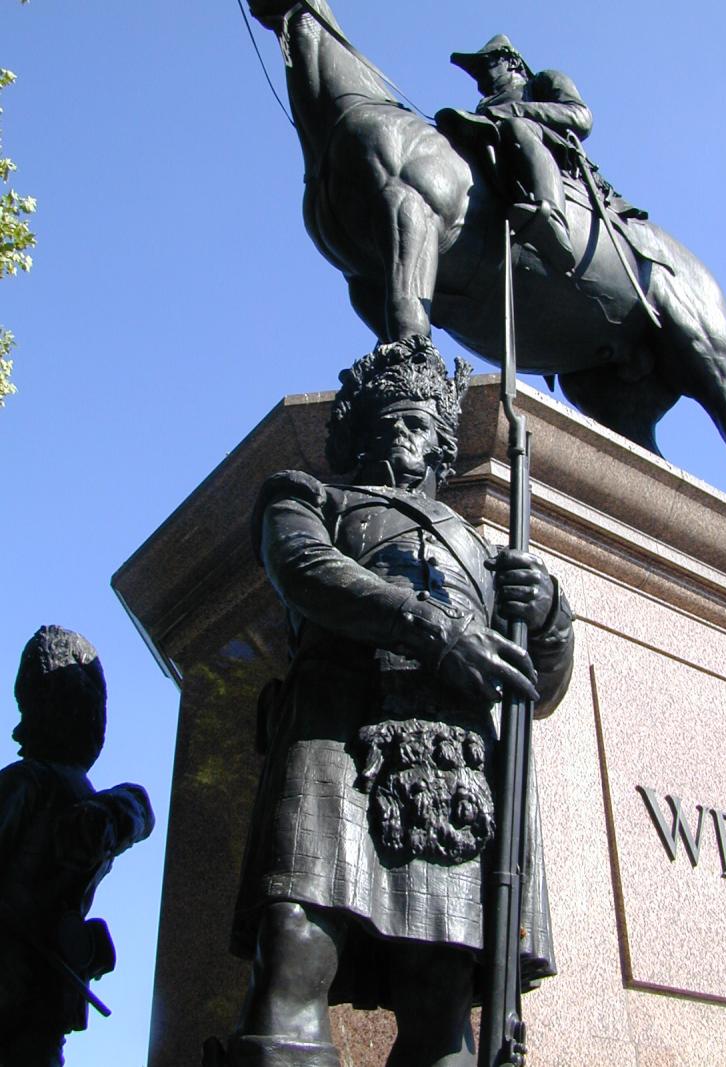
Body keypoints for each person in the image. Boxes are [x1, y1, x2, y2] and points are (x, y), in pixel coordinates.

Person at [224, 337, 574, 1067]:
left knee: (442, 995)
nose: (397, 433)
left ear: (442, 445)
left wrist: (548, 613)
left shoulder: (483, 552)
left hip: (456, 769)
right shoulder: (307, 496)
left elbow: (537, 683)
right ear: (354, 433)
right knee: (294, 947)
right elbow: (305, 568)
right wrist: (440, 630)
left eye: (415, 422)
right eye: (383, 419)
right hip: (334, 737)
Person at [0, 626, 155, 1067]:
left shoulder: (88, 796)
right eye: (83, 698)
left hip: (38, 999)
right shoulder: (34, 783)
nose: (93, 714)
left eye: (95, 699)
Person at [448, 34, 593, 273]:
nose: (480, 81)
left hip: (552, 148)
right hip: (507, 158)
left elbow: (581, 116)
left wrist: (514, 110)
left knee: (517, 127)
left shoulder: (542, 82)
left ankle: (553, 219)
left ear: (511, 62)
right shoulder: (486, 107)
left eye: (486, 66)